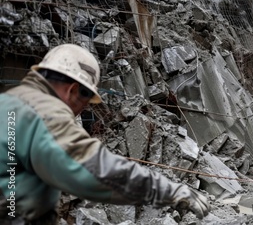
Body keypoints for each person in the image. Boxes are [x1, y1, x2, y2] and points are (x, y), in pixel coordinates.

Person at [0, 44, 210, 224]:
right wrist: (170, 190)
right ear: (73, 90)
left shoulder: (10, 102)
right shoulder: (46, 112)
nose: (83, 109)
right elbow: (95, 171)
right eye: (86, 99)